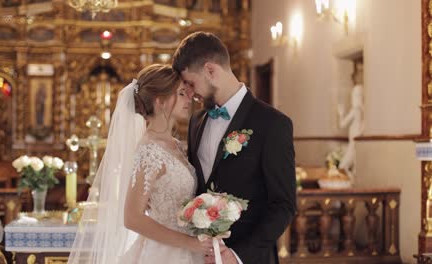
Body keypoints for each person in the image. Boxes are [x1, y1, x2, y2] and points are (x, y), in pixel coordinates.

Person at [68, 64, 213, 264]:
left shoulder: (175, 144)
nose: (189, 97)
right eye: (181, 93)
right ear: (160, 101)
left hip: (187, 250)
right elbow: (132, 218)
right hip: (166, 254)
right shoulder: (149, 152)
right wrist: (189, 243)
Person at [172, 31, 296, 264]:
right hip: (202, 256)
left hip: (251, 258)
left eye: (191, 83)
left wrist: (239, 255)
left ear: (210, 70)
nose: (189, 93)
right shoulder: (196, 122)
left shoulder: (273, 124)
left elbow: (284, 205)